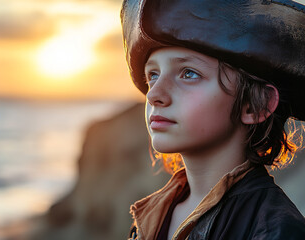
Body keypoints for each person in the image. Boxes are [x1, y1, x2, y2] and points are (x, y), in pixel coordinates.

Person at [120, 0, 305, 239]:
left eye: (189, 74)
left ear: (256, 105)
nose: (154, 94)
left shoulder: (277, 231)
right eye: (153, 75)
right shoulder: (152, 216)